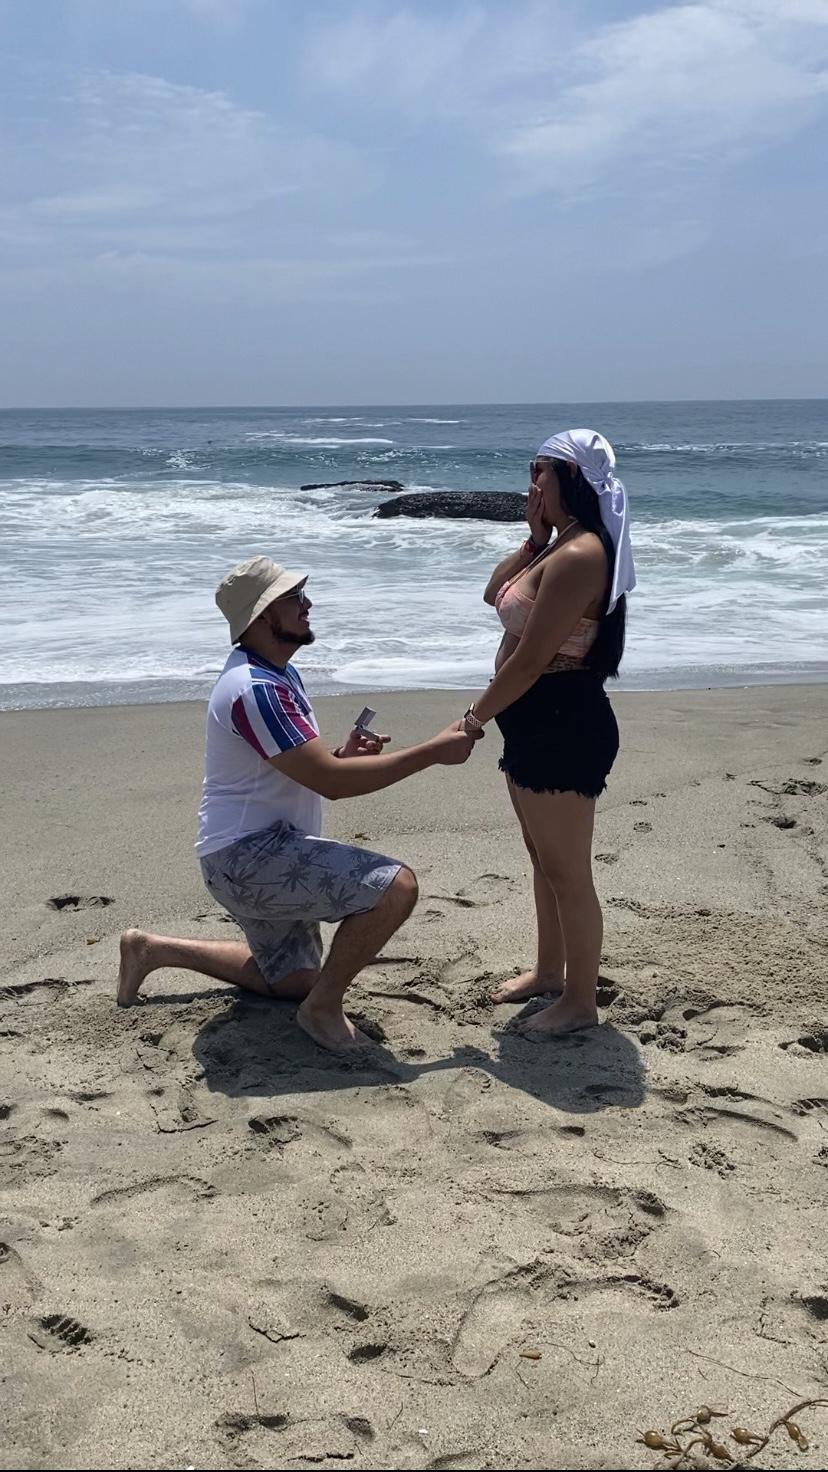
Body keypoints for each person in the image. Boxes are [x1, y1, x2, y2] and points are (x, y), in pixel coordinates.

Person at [117, 555, 473, 1052]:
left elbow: (309, 767)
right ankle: (322, 1011)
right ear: (263, 616)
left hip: (254, 852)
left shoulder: (276, 675)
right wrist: (432, 752)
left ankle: (153, 949)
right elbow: (331, 783)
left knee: (293, 981)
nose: (308, 605)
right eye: (294, 598)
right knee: (394, 888)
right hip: (249, 859)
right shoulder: (256, 689)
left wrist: (342, 758)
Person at [459, 429, 636, 1038]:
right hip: (536, 720)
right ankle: (548, 974)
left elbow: (532, 660)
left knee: (569, 871)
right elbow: (494, 595)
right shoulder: (557, 545)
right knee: (544, 859)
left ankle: (580, 1002)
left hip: (563, 722)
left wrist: (472, 720)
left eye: (540, 470)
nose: (531, 481)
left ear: (573, 478)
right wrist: (533, 539)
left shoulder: (582, 553)